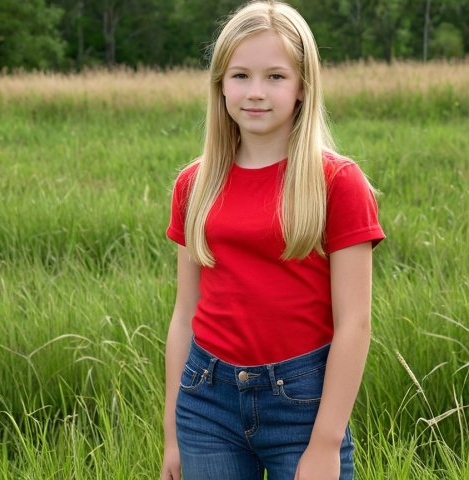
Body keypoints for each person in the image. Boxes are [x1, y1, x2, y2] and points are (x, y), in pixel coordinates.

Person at [161, 1, 385, 479]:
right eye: (240, 75)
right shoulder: (195, 184)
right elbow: (185, 314)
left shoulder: (338, 183)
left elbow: (355, 325)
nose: (255, 92)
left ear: (303, 85)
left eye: (276, 77)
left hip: (303, 405)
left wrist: (325, 444)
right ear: (220, 85)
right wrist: (172, 436)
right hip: (206, 402)